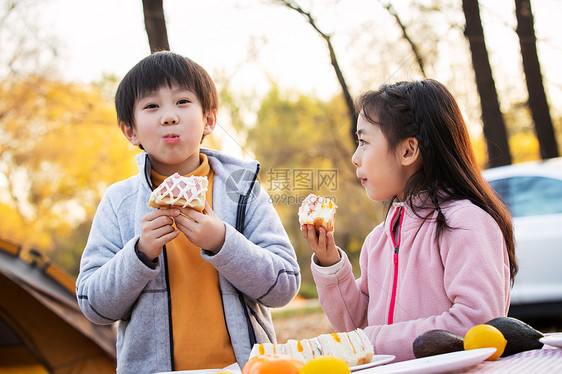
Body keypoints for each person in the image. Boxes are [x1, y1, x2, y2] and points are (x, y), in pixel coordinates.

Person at [76, 51, 300, 373]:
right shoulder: (118, 202)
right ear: (130, 131)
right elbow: (94, 307)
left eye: (182, 102)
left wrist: (223, 242)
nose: (169, 116)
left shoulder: (241, 189)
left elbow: (284, 286)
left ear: (209, 119)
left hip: (246, 368)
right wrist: (140, 253)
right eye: (151, 106)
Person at [301, 79, 517, 362]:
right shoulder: (378, 240)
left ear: (408, 151)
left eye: (364, 142)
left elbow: (477, 327)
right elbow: (356, 328)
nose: (355, 157)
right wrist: (329, 262)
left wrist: (372, 340)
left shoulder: (467, 223)